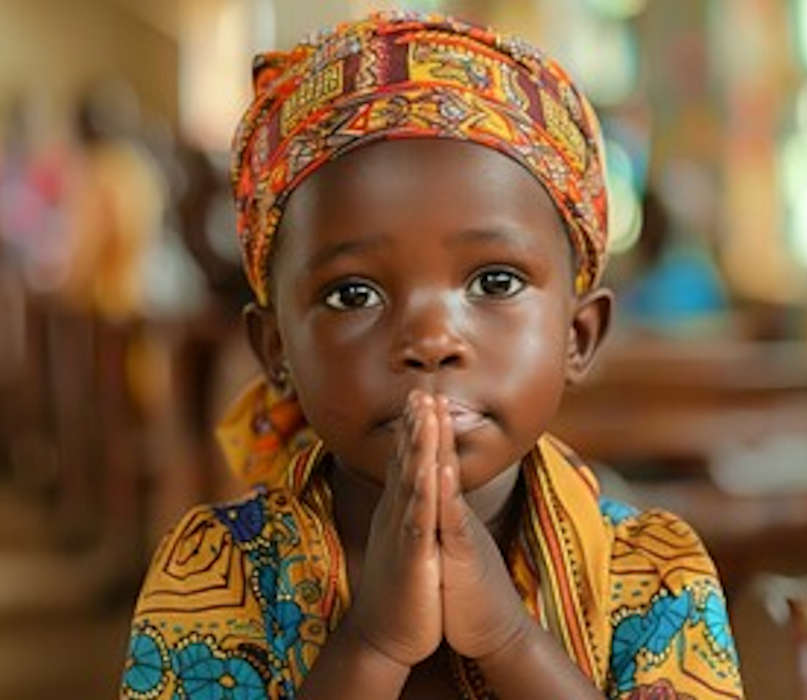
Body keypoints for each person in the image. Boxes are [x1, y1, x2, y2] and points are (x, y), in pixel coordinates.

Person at [121, 12, 743, 699]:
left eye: (495, 282)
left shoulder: (651, 571)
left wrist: (509, 641)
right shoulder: (218, 571)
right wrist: (372, 643)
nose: (430, 340)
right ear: (276, 350)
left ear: (578, 335)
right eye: (352, 294)